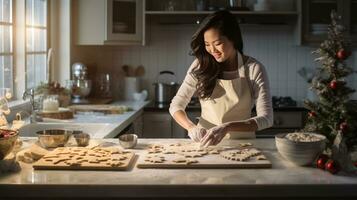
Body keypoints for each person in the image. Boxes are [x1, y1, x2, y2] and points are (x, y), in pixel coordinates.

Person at [169, 10, 273, 147]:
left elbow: (267, 118)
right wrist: (191, 127)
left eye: (217, 43)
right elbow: (176, 105)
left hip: (243, 146)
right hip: (205, 144)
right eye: (207, 44)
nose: (212, 50)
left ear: (233, 39)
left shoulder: (254, 68)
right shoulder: (200, 65)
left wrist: (227, 127)